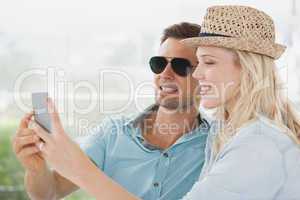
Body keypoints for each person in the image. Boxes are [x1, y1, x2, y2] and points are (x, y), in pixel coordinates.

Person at [12, 22, 210, 200]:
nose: (165, 74)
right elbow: (49, 192)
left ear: (204, 76)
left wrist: (78, 166)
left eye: (180, 65)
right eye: (159, 64)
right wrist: (36, 169)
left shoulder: (215, 144)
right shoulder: (112, 133)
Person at [181, 5, 300, 199]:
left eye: (209, 62)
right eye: (198, 62)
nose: (196, 74)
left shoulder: (258, 143)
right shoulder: (223, 131)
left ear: (247, 69)